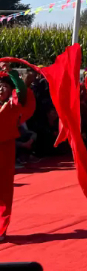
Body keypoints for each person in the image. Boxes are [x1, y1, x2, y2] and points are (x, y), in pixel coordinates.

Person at [0, 66, 35, 241]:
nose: (1, 89)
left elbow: (21, 90)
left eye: (4, 86)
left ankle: (1, 228)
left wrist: (12, 73)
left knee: (4, 189)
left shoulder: (13, 104)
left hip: (5, 147)